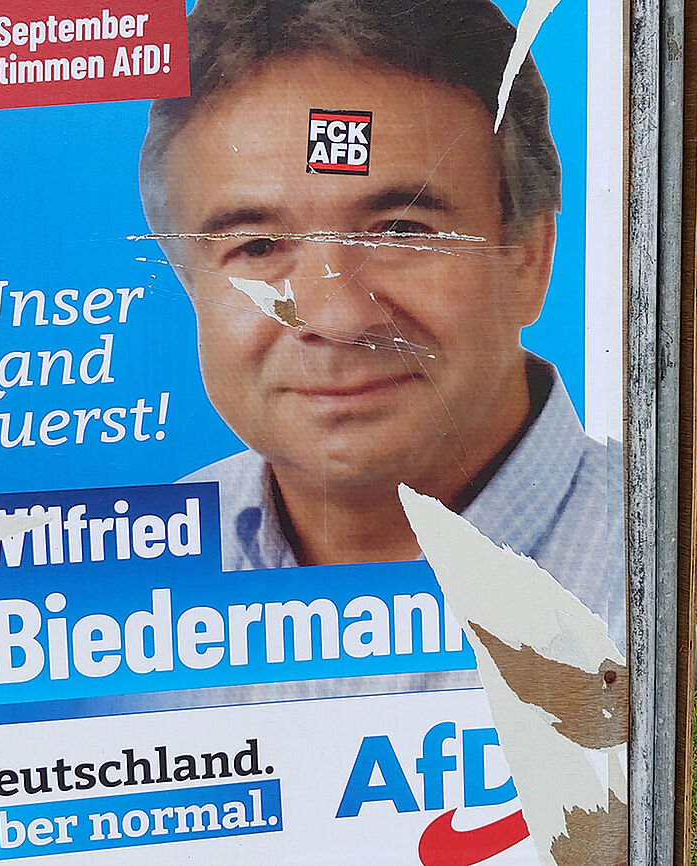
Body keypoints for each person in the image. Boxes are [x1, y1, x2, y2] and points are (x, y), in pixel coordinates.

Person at [139, 0, 624, 639]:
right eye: (256, 247)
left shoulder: (639, 585)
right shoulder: (129, 573)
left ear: (529, 259)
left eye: (402, 232)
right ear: (189, 283)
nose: (335, 317)